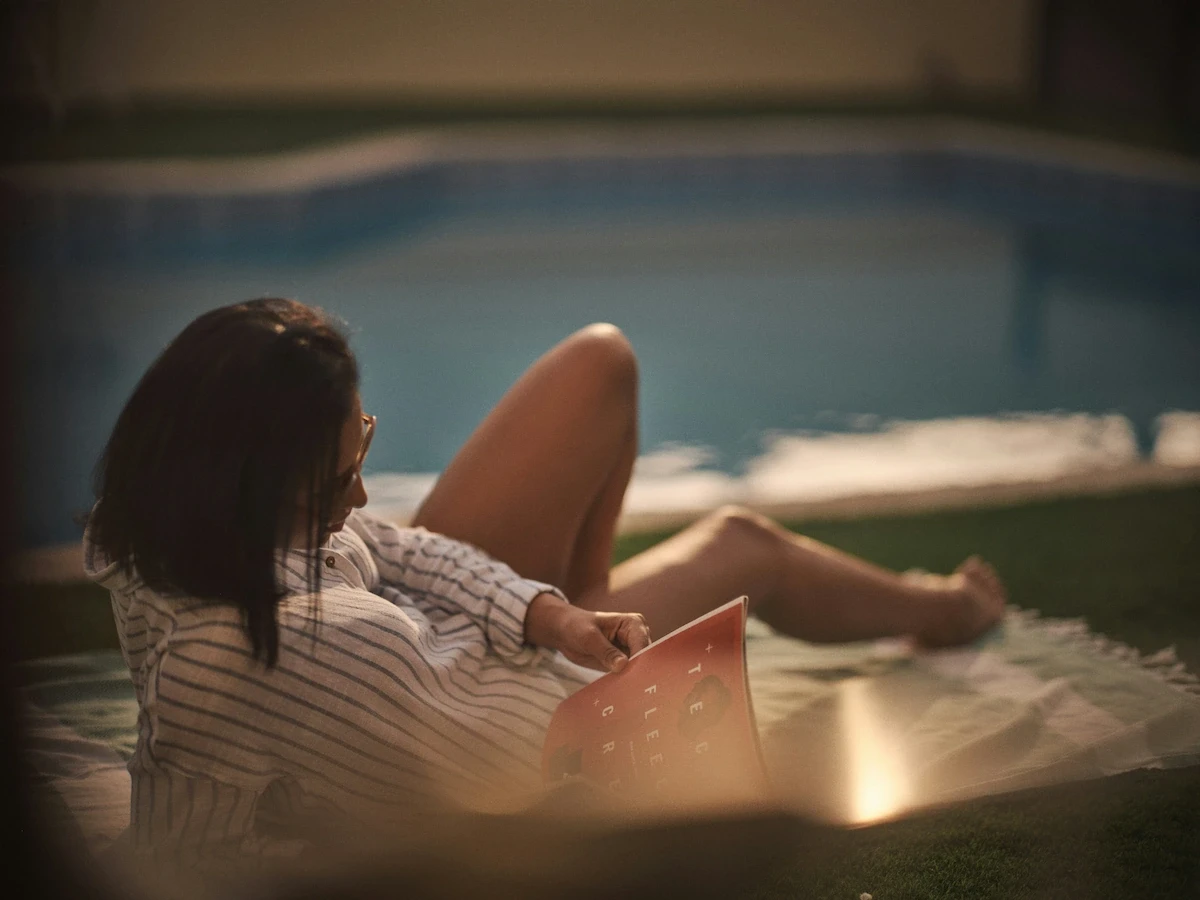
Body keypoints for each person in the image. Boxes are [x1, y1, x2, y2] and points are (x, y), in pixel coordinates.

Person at [84, 298, 1005, 869]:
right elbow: (525, 752)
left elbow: (394, 548)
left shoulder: (176, 525)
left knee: (601, 363)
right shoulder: (291, 649)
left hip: (433, 659)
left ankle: (591, 585)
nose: (361, 495)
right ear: (247, 486)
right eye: (336, 482)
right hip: (441, 712)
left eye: (361, 447)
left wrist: (547, 608)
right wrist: (633, 672)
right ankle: (954, 611)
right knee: (743, 549)